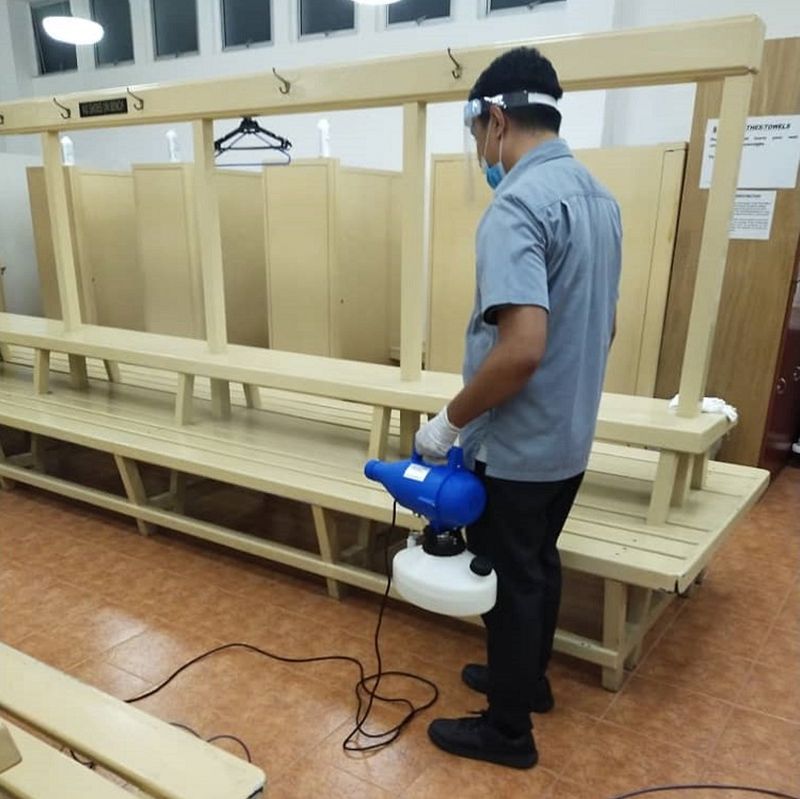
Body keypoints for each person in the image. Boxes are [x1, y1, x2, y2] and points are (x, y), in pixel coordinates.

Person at [414, 47, 622, 769]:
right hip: (570, 436)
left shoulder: (518, 206)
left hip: (520, 443)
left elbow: (521, 348)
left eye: (477, 136)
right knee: (539, 563)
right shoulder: (601, 199)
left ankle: (506, 732)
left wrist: (450, 421)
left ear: (494, 119)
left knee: (509, 577)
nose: (481, 152)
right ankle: (525, 681)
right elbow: (604, 325)